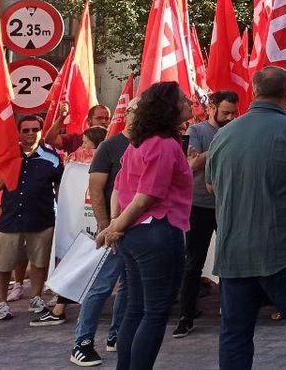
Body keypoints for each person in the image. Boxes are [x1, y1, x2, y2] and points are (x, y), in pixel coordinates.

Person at [206, 67, 286, 370]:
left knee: (235, 336)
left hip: (234, 253)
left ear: (253, 91)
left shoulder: (223, 135)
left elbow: (211, 186)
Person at [95, 82, 194, 370]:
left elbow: (120, 189)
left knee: (136, 310)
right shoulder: (164, 145)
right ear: (169, 107)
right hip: (157, 232)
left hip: (138, 235)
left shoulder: (138, 144)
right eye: (183, 99)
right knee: (153, 314)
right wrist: (114, 228)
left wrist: (116, 225)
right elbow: (146, 197)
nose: (189, 103)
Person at [69, 103, 137, 366]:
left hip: (136, 229)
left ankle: (116, 335)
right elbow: (96, 188)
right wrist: (105, 225)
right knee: (103, 285)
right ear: (128, 115)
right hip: (115, 229)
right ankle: (82, 341)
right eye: (136, 112)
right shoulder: (110, 146)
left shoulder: (148, 144)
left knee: (129, 286)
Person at [171, 90, 239, 338]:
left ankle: (232, 311)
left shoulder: (236, 129)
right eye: (225, 113)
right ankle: (186, 315)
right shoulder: (197, 132)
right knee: (193, 263)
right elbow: (192, 164)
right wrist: (219, 146)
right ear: (212, 108)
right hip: (199, 205)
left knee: (232, 261)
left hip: (227, 204)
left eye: (233, 113)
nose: (230, 118)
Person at [33, 126, 110, 328]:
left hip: (101, 223)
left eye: (86, 142)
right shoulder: (81, 161)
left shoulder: (98, 158)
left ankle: (65, 311)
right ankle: (61, 309)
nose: (82, 146)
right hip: (90, 224)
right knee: (81, 264)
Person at [0, 114, 63, 322]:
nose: (31, 134)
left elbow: (61, 188)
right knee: (3, 265)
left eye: (35, 129)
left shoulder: (52, 157)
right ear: (19, 133)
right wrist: (10, 167)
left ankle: (36, 297)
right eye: (26, 130)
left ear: (41, 132)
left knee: (39, 263)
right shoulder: (6, 156)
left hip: (41, 219)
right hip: (10, 219)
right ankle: (1, 303)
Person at [45, 104, 113, 154]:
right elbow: (50, 140)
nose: (104, 121)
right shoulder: (75, 139)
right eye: (99, 118)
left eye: (107, 119)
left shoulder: (115, 140)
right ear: (89, 121)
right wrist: (62, 117)